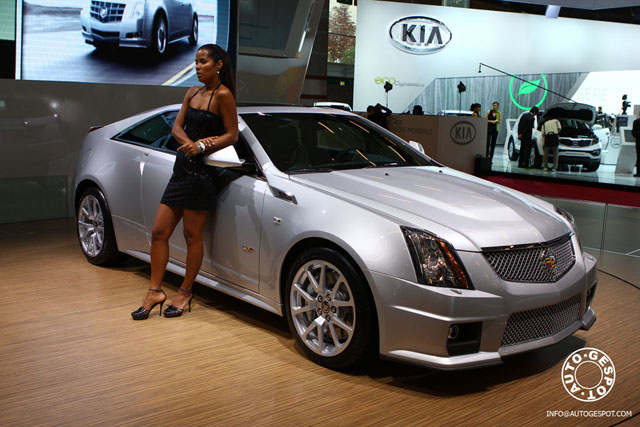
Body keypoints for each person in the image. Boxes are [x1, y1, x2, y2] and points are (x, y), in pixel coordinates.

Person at [131, 44, 238, 320]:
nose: (198, 67)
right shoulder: (191, 92)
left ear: (218, 65)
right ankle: (155, 291)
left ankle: (185, 292)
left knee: (192, 237)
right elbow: (176, 127)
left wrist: (202, 147)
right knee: (159, 232)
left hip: (203, 174)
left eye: (203, 62)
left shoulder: (223, 95)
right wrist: (188, 143)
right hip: (181, 170)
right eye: (195, 62)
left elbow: (232, 135)